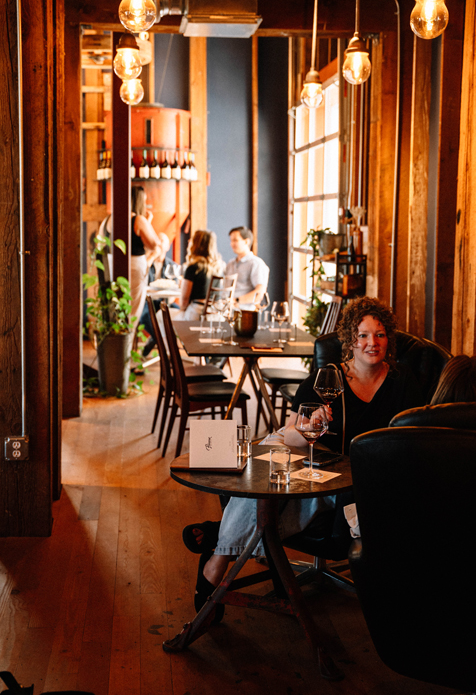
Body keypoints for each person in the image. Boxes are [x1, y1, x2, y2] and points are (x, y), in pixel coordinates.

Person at [183, 296, 424, 619]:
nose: (372, 343)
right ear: (351, 340)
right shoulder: (329, 377)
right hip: (311, 460)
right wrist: (310, 426)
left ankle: (218, 548)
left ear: (388, 339)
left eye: (380, 335)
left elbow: (412, 433)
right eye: (364, 335)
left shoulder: (401, 381)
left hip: (357, 477)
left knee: (285, 497)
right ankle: (220, 558)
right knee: (271, 473)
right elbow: (293, 435)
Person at [130, 186, 161, 325]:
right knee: (133, 310)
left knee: (123, 307)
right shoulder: (138, 219)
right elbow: (155, 243)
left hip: (120, 264)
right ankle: (127, 343)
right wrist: (148, 222)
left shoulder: (118, 217)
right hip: (135, 267)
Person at [225, 226, 269, 305]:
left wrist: (236, 300)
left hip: (245, 313)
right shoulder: (230, 263)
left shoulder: (256, 263)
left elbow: (259, 293)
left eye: (235, 240)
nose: (232, 244)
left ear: (246, 242)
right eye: (231, 240)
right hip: (226, 312)